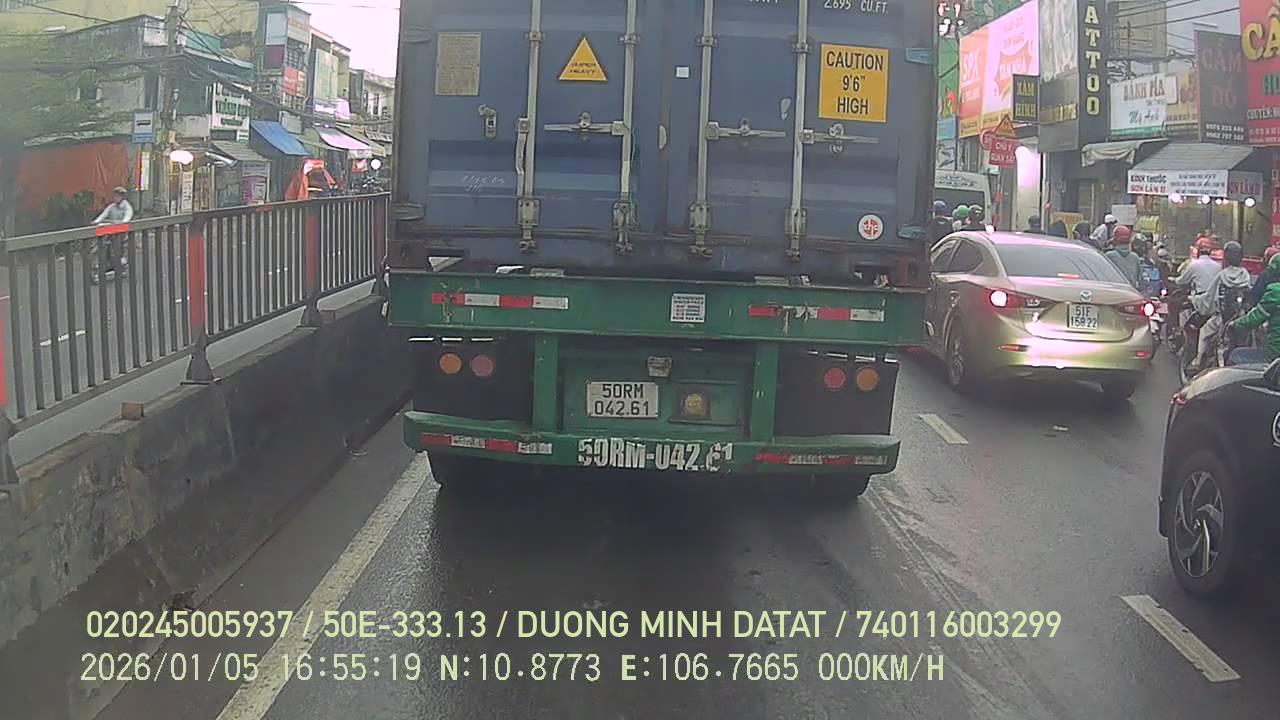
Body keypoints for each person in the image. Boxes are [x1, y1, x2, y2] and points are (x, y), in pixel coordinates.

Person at [1189, 240, 1252, 372]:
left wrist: (1193, 299)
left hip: (1221, 320)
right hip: (1241, 319)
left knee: (1204, 332)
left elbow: (1209, 297)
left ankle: (1198, 361)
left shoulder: (1222, 275)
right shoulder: (1245, 275)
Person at [1228, 252, 1280, 365]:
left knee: (1235, 355)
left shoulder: (1275, 291)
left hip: (1275, 354)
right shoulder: (1246, 275)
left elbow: (1254, 318)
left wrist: (1235, 325)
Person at [91, 186, 133, 282]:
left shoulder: (127, 207)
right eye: (114, 196)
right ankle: (104, 266)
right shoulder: (112, 206)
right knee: (103, 247)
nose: (115, 198)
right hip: (111, 230)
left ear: (122, 197)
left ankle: (121, 266)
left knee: (119, 250)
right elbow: (104, 214)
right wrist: (96, 221)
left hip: (121, 232)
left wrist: (122, 222)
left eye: (118, 196)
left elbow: (128, 216)